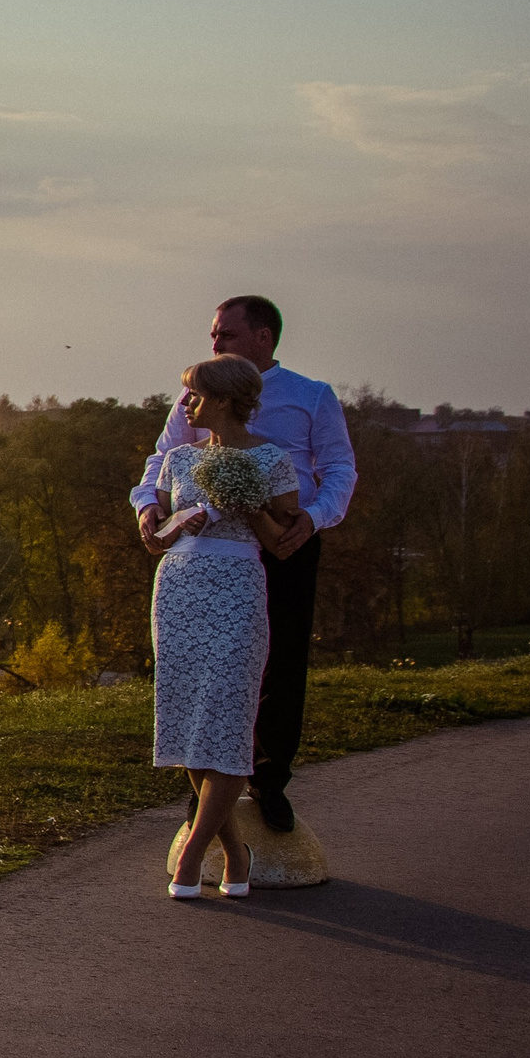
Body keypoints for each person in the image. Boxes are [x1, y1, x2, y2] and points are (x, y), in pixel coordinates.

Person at [129, 296, 356, 830]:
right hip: (208, 546)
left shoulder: (311, 396)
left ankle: (269, 780)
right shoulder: (196, 393)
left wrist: (314, 518)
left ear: (263, 336)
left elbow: (339, 466)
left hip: (290, 534)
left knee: (281, 661)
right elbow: (164, 457)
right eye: (213, 334)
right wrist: (148, 507)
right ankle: (207, 792)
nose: (214, 342)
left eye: (225, 334)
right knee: (207, 664)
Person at [140, 356, 304, 897]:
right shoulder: (180, 459)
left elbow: (282, 539)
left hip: (237, 587)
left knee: (229, 720)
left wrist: (248, 504)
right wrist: (158, 528)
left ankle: (191, 855)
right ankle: (236, 853)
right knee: (191, 721)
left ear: (229, 400)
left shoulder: (273, 460)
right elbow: (161, 527)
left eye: (195, 394)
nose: (186, 404)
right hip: (179, 589)